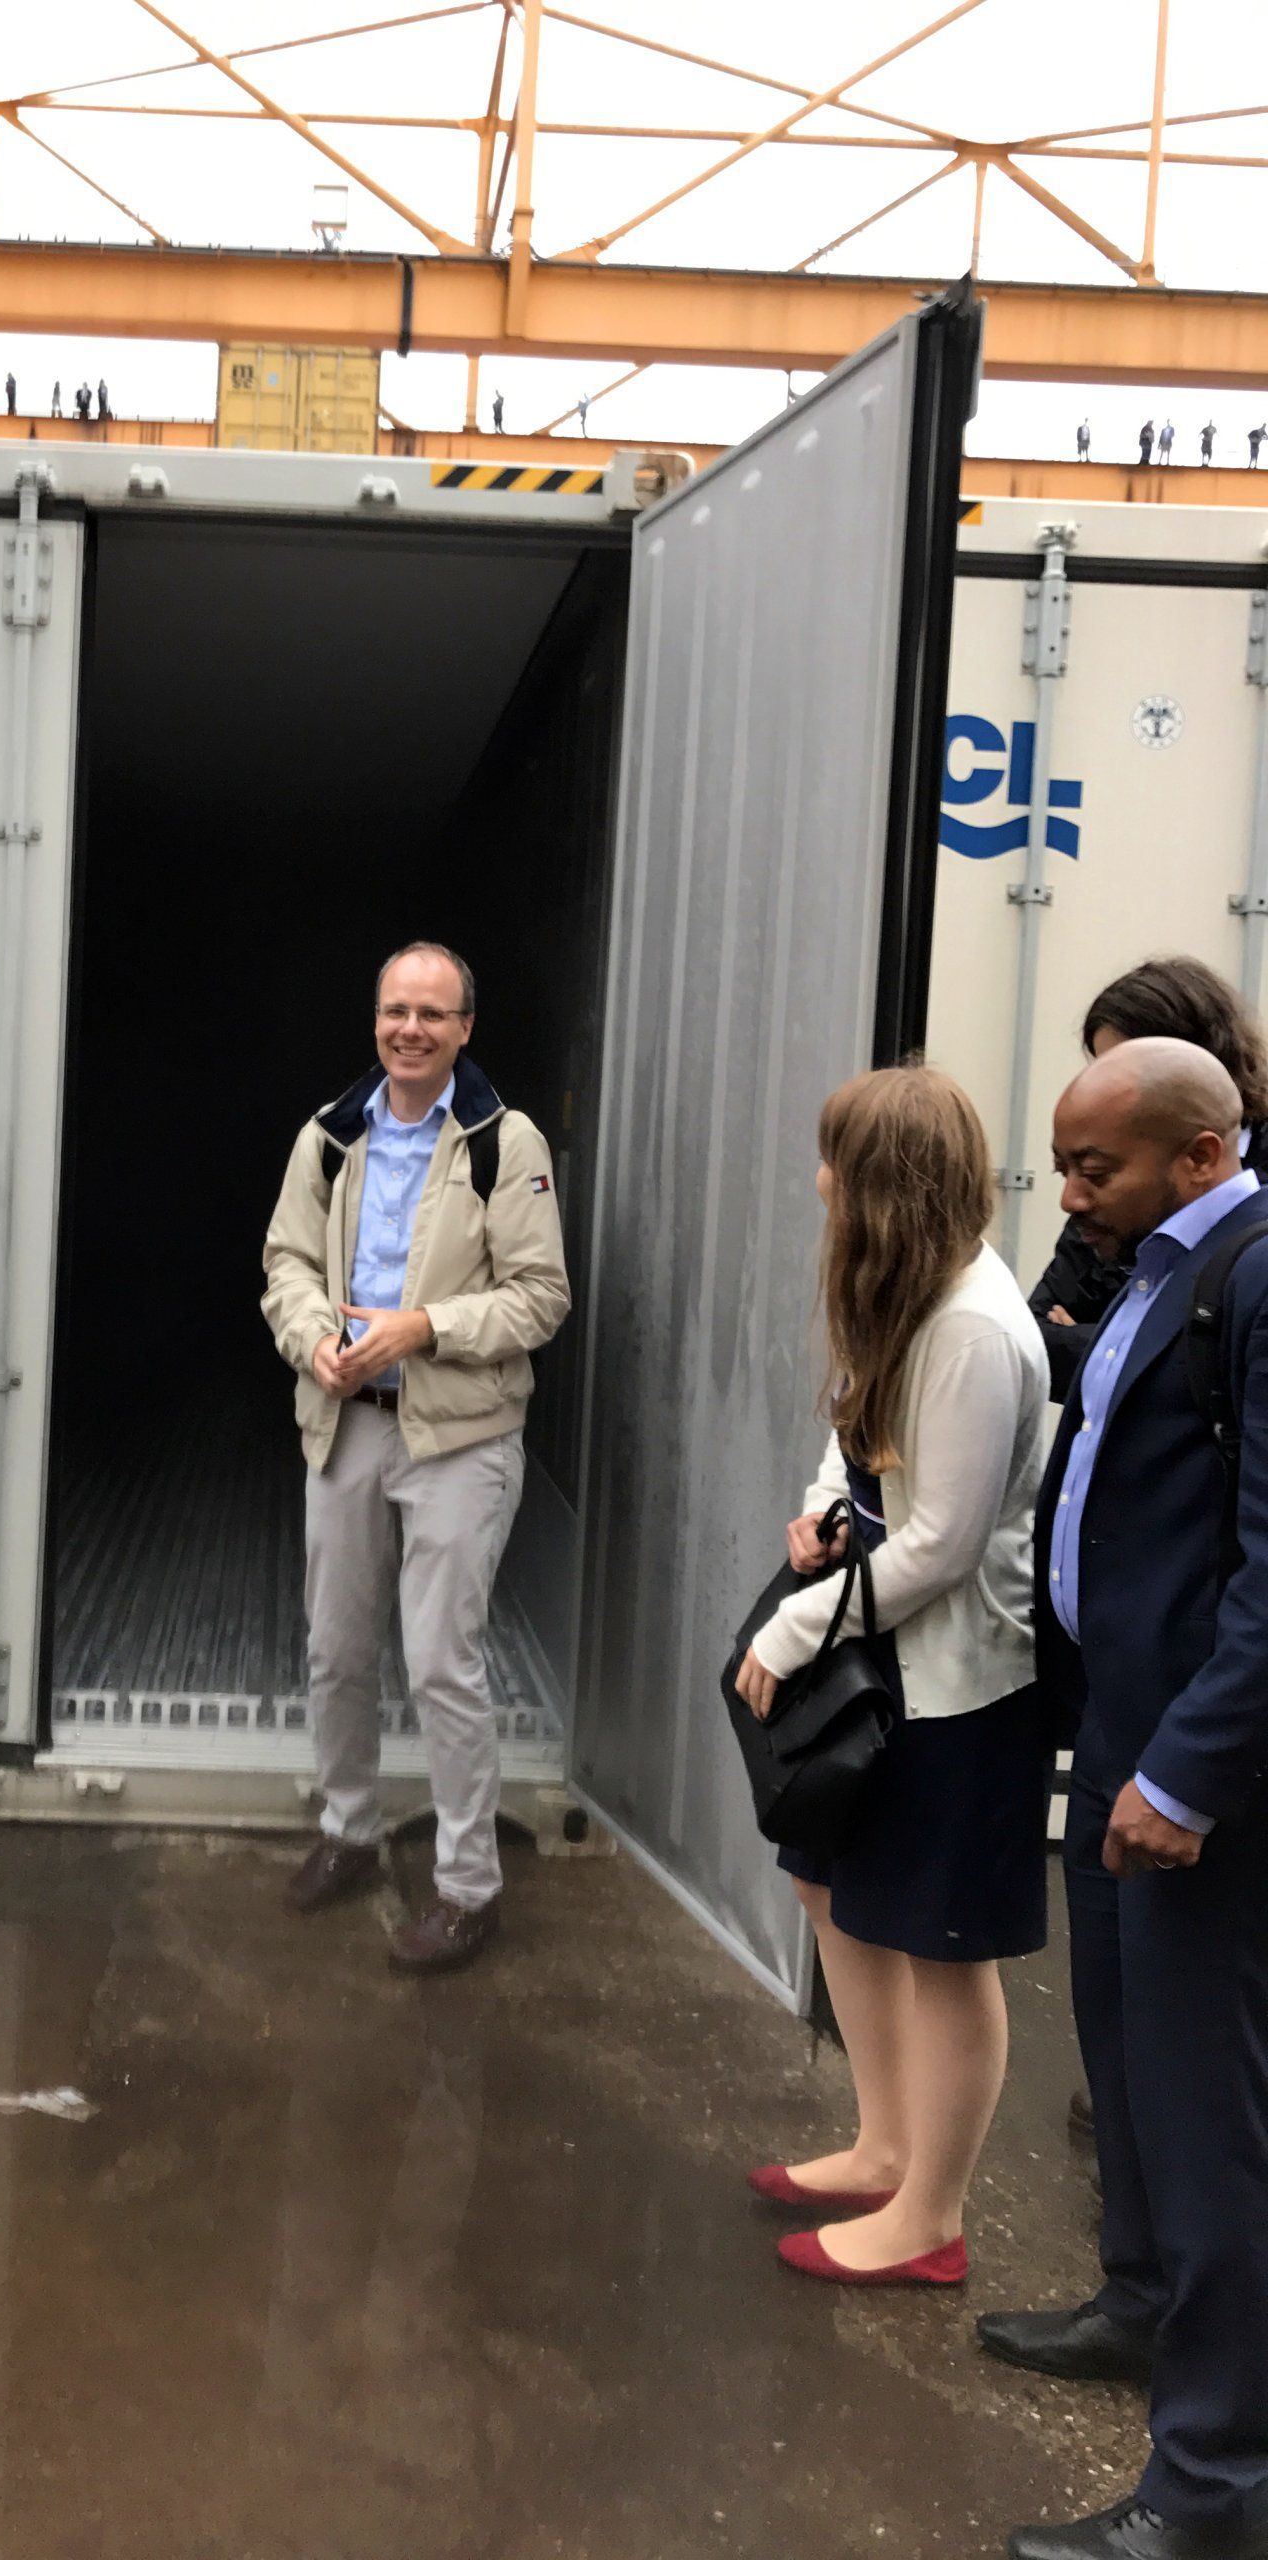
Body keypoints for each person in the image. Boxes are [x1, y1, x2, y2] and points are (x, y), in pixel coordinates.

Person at [985, 1040, 1268, 2560]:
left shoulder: (1252, 1278)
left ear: (1203, 1153)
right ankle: (1141, 2300)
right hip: (1117, 1726)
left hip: (1192, 1777)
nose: (1070, 1194)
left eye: (1096, 1168)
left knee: (1212, 2119)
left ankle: (1209, 2486)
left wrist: (1188, 1770)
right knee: (1135, 2067)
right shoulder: (1152, 1267)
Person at [735, 1067, 1050, 2288]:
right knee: (827, 1886)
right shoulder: (907, 1286)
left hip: (955, 1688)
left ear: (881, 1186)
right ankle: (883, 2146)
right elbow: (856, 1431)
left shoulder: (974, 1327)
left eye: (837, 1162)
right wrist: (822, 1509)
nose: (820, 1181)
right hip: (883, 1656)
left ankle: (930, 2217)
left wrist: (790, 1631)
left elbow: (943, 1545)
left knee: (942, 1947)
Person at [261, 943, 570, 1974]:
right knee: (336, 1647)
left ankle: (468, 1889)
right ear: (375, 1018)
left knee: (442, 1661)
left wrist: (424, 1328)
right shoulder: (329, 1135)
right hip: (346, 1421)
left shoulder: (503, 1141)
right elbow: (286, 1262)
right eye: (396, 1010)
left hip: (459, 1437)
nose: (411, 1029)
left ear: (465, 1028)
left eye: (433, 1014)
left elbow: (542, 1297)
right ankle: (349, 1832)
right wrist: (314, 1338)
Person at [1030, 957, 1268, 1400]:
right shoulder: (1103, 1197)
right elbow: (1034, 1340)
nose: (1072, 1197)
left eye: (1126, 1067)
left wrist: (1103, 1339)